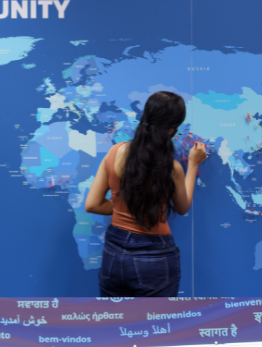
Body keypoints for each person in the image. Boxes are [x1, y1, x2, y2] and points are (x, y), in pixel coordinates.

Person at [85, 90, 208, 296]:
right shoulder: (172, 167)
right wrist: (193, 164)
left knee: (114, 322)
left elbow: (93, 205)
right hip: (154, 258)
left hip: (114, 254)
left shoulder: (115, 152)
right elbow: (182, 206)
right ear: (172, 130)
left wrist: (124, 208)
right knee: (155, 325)